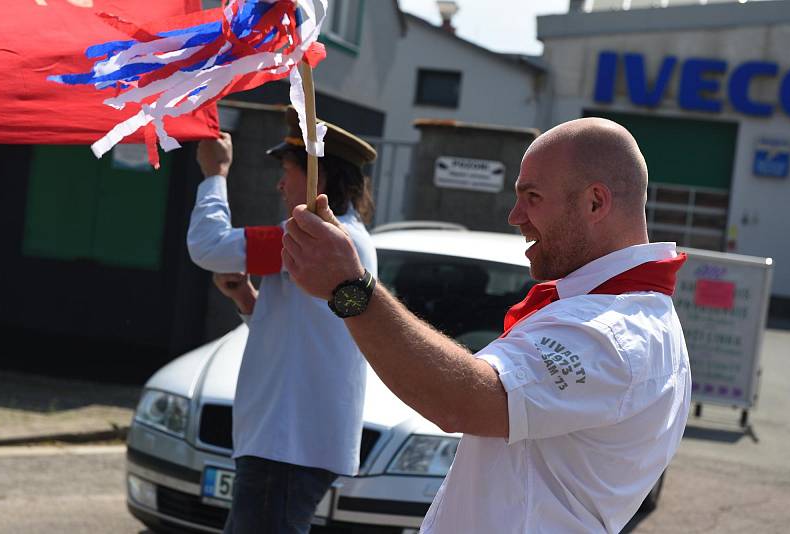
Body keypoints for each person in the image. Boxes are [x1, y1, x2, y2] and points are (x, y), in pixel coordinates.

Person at [282, 117, 691, 533]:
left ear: (595, 203)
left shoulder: (611, 331)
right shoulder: (623, 315)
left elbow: (464, 401)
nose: (515, 216)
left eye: (532, 197)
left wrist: (350, 289)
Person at [186, 107, 378, 534]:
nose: (279, 183)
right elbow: (306, 336)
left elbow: (207, 246)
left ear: (318, 178)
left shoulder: (315, 237)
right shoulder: (340, 236)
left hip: (286, 443)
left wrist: (215, 173)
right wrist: (248, 299)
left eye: (289, 171)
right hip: (288, 441)